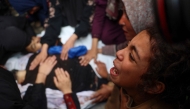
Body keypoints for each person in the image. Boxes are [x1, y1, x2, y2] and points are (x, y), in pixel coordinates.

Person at [44, 27, 190, 109]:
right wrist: (108, 79)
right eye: (127, 46)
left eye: (132, 56)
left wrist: (68, 93)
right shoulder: (130, 87)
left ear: (152, 86)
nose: (119, 53)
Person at [29, 0, 95, 70]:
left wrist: (72, 39)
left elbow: (86, 21)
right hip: (66, 21)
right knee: (48, 25)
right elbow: (54, 20)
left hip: (83, 21)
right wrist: (44, 49)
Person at [79, 0, 126, 66]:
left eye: (127, 17)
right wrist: (94, 49)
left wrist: (108, 75)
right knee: (106, 36)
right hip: (112, 18)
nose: (121, 22)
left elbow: (126, 46)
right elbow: (99, 14)